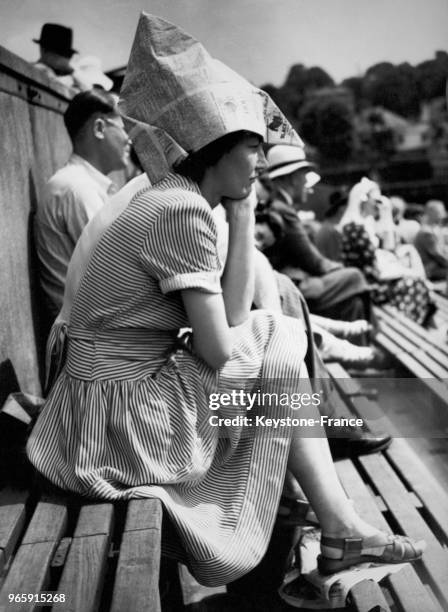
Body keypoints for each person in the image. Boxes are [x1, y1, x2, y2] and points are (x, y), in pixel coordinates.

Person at [28, 13, 424, 590]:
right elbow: (218, 347)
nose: (262, 163)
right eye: (254, 149)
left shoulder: (181, 197)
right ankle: (334, 524)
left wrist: (242, 215)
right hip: (114, 424)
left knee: (270, 333)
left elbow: (232, 317)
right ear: (216, 148)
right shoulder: (180, 209)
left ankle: (334, 525)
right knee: (276, 338)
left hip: (98, 403)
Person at [35, 89, 131, 317]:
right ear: (99, 128)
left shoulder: (84, 184)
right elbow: (120, 277)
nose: (131, 138)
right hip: (91, 343)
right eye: (125, 127)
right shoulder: (78, 188)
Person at [261, 145, 372, 322]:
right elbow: (316, 263)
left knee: (354, 302)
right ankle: (369, 338)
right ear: (293, 178)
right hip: (293, 288)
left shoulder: (275, 205)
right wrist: (339, 267)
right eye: (305, 175)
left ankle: (364, 340)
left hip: (285, 285)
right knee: (355, 276)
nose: (307, 182)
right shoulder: (283, 210)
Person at [339, 179, 433, 325]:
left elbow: (389, 247)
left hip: (371, 280)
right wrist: (405, 272)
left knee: (417, 283)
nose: (379, 204)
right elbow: (373, 268)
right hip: (369, 285)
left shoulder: (364, 223)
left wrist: (386, 213)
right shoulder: (356, 227)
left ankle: (410, 328)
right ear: (363, 199)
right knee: (416, 284)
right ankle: (406, 328)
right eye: (376, 200)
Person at [33, 23, 78, 88]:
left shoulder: (69, 77)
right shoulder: (41, 69)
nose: (67, 59)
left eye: (68, 55)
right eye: (61, 53)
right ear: (44, 50)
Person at [414, 200, 448, 281]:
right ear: (431, 212)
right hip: (431, 271)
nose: (443, 214)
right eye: (440, 212)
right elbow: (438, 255)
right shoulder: (427, 232)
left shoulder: (434, 229)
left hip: (437, 267)